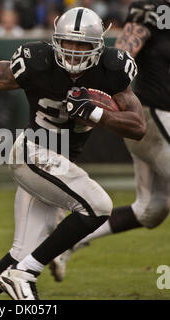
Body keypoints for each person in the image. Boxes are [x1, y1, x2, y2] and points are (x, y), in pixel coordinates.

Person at [0, 7, 146, 300]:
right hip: (33, 154)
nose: (74, 51)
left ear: (99, 46)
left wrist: (96, 114)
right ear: (56, 40)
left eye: (82, 44)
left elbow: (138, 126)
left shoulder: (112, 70)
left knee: (20, 255)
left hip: (56, 167)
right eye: (68, 42)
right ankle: (24, 274)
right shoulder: (37, 62)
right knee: (99, 206)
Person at [48, 0, 170, 282]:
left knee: (152, 209)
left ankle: (66, 241)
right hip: (154, 116)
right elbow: (124, 55)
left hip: (156, 121)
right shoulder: (154, 9)